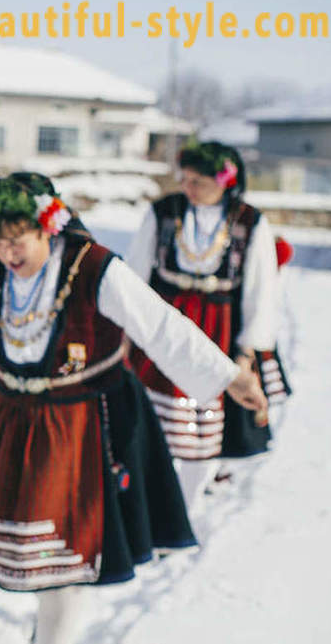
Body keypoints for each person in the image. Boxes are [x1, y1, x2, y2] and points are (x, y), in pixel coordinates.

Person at [0, 172, 266, 644]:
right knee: (23, 543)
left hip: (81, 427)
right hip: (8, 420)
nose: (7, 253)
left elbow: (162, 327)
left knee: (71, 549)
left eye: (17, 240)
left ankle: (56, 635)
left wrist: (232, 377)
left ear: (49, 225)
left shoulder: (94, 268)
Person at [126, 140, 279, 511]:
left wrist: (246, 352)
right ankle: (149, 498)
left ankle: (187, 504)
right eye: (185, 179)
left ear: (224, 181)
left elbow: (260, 291)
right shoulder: (164, 212)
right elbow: (132, 275)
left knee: (204, 425)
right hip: (165, 327)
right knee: (153, 421)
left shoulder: (249, 222)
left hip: (218, 331)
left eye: (198, 181)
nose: (188, 188)